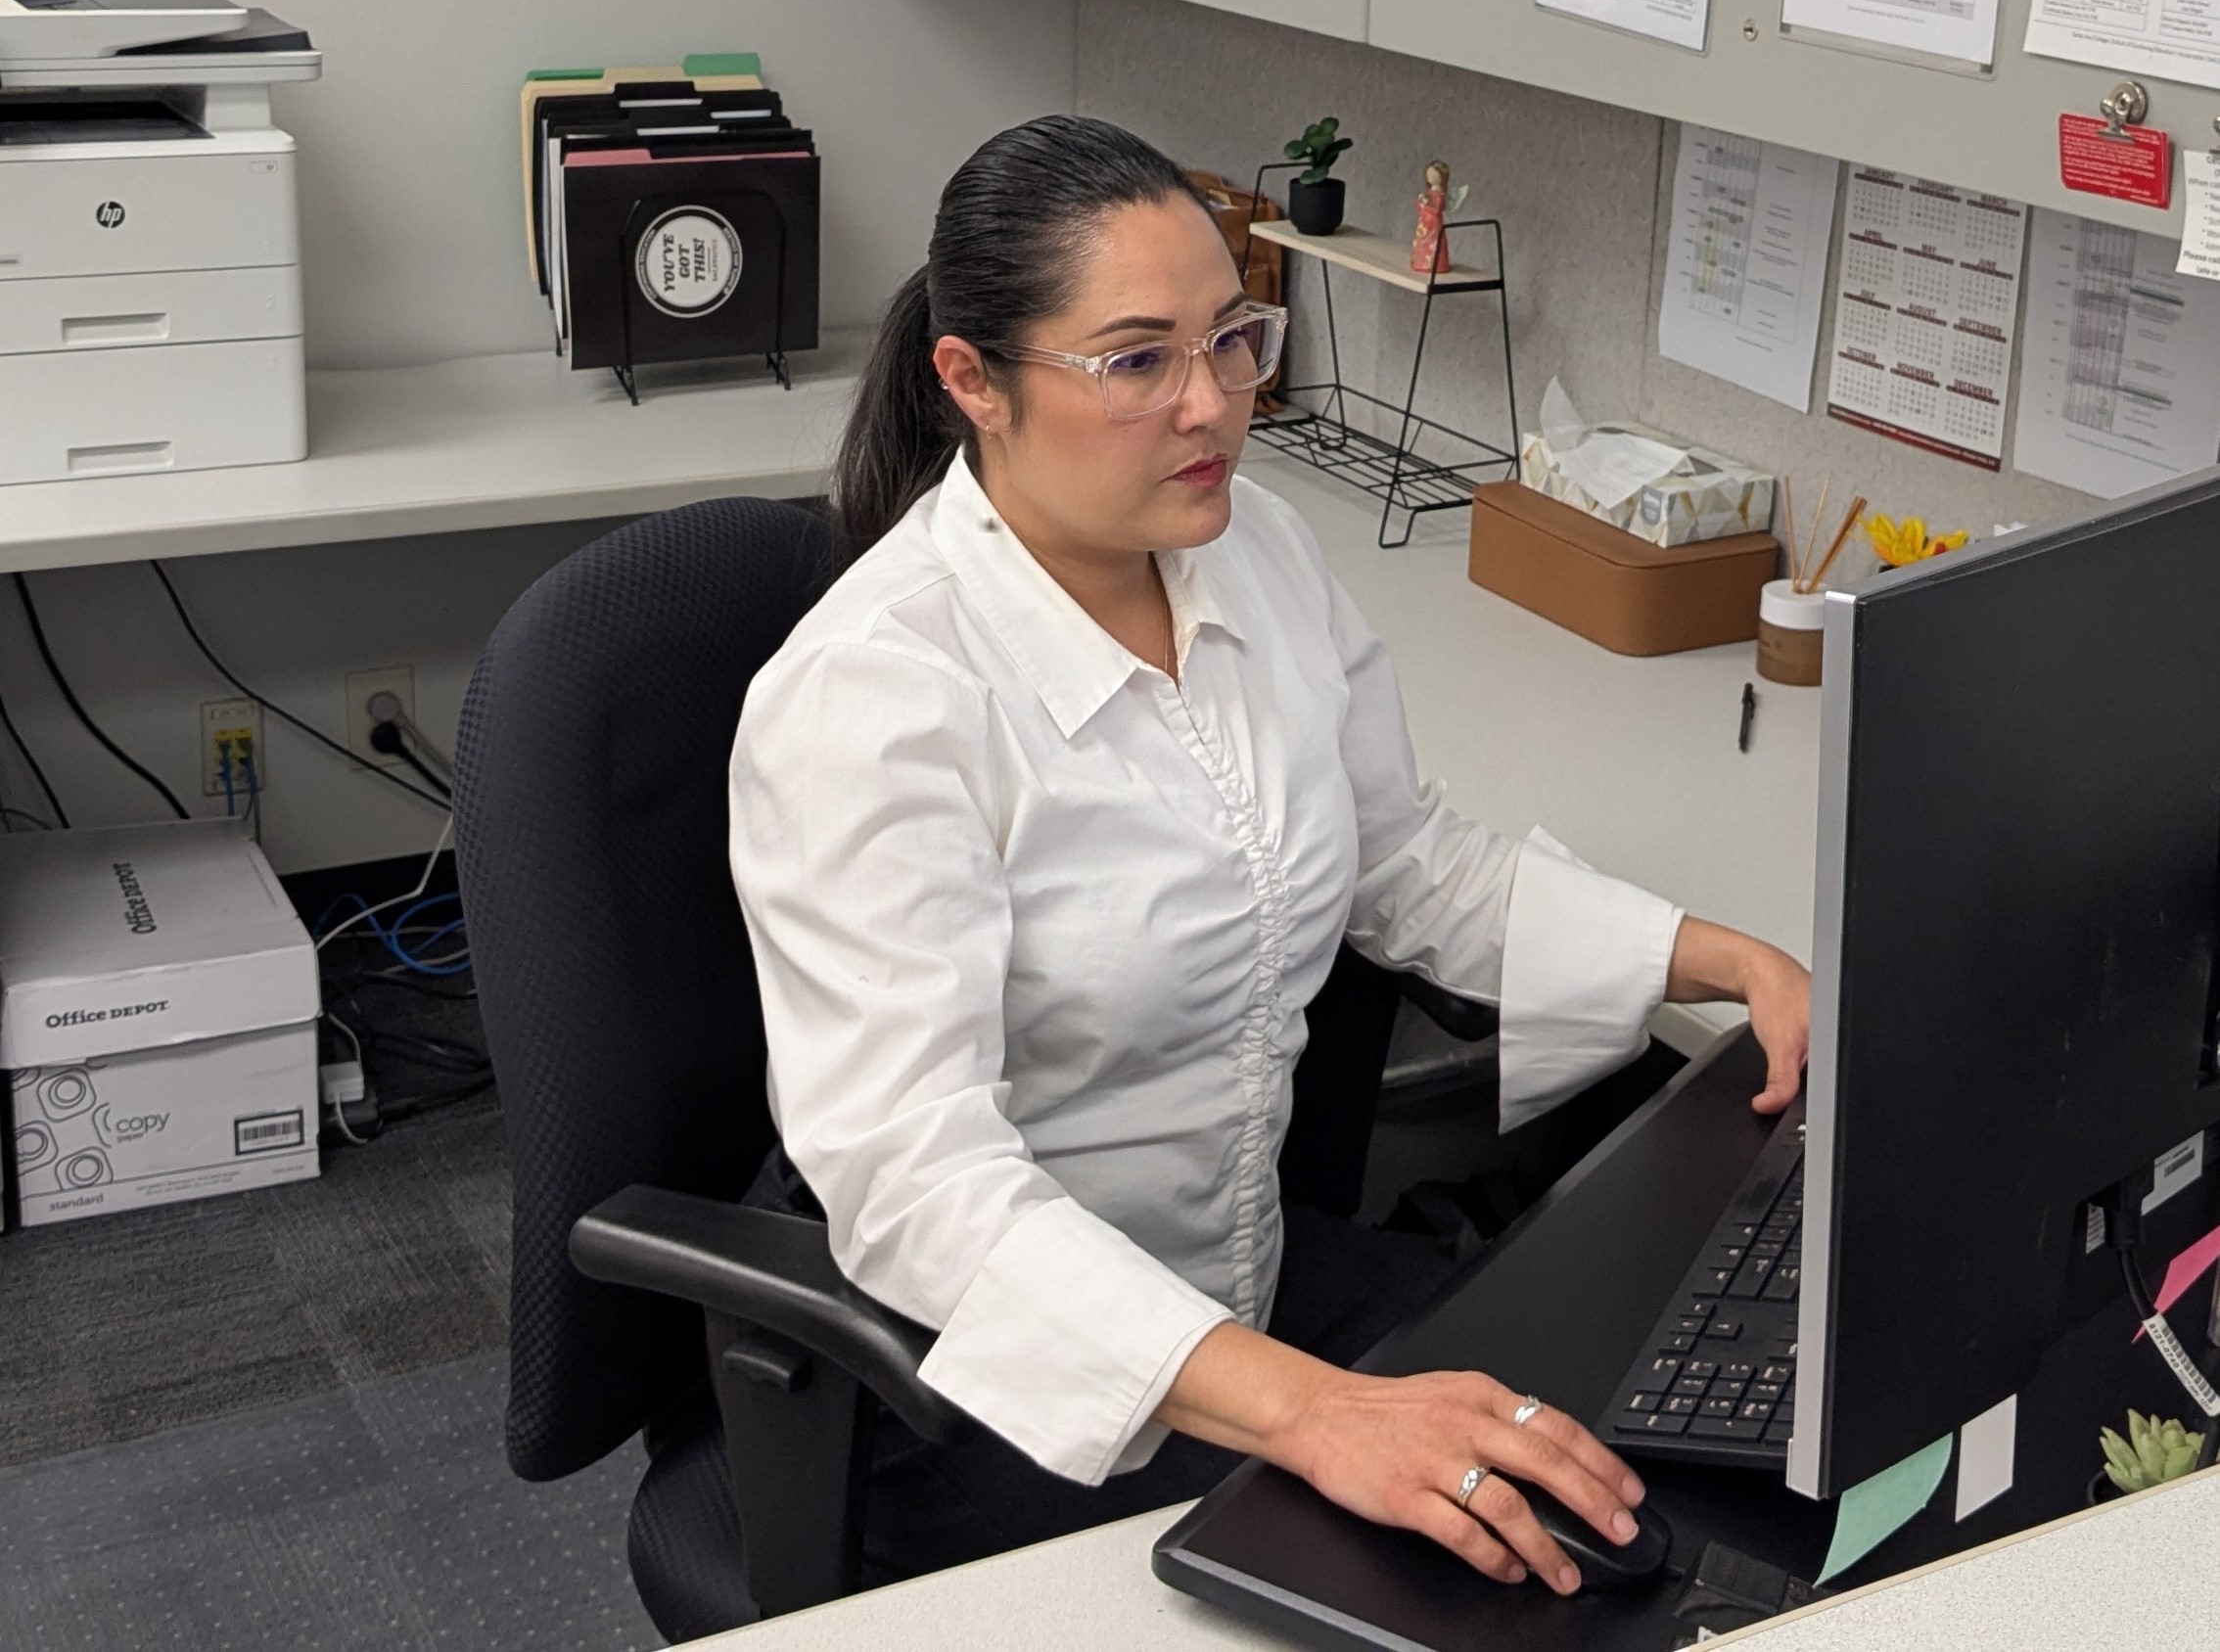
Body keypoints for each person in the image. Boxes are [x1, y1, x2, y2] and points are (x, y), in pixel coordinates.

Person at [728, 115, 1810, 1595]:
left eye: (1231, 341)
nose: (1212, 408)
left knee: (1649, 1482)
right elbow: (922, 1184)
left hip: (1255, 1287)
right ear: (973, 382)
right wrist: (1316, 1409)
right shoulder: (874, 698)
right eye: (1136, 362)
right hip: (996, 1387)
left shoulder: (1259, 557)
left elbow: (1404, 861)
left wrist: (1725, 958)